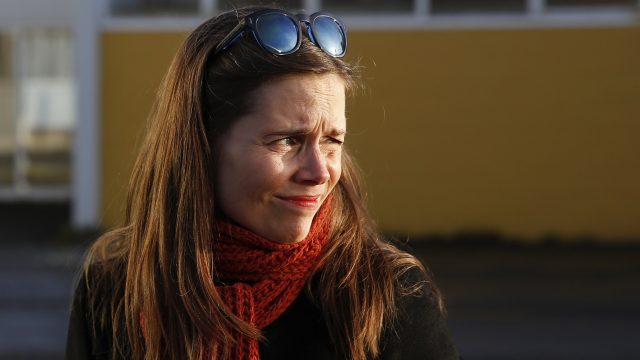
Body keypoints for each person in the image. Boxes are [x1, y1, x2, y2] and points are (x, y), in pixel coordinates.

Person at [65, 6, 459, 360]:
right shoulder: (117, 288)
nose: (319, 173)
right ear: (202, 144)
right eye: (287, 140)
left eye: (332, 141)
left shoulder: (384, 295)